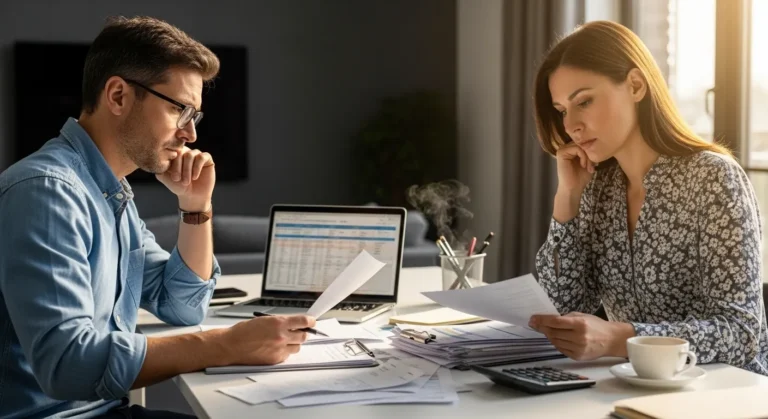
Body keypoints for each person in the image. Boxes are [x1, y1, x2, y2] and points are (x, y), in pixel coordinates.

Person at [0, 16, 315, 418]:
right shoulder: (48, 193)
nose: (190, 134)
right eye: (179, 110)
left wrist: (196, 206)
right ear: (118, 96)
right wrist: (226, 345)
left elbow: (183, 305)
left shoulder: (110, 194)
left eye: (194, 116)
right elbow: (67, 365)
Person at [527, 20, 768, 375]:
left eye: (584, 101)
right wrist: (567, 198)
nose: (570, 125)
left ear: (636, 85)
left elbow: (741, 333)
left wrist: (619, 338)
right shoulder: (598, 188)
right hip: (633, 387)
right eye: (563, 110)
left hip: (724, 389)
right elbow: (563, 306)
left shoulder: (714, 178)